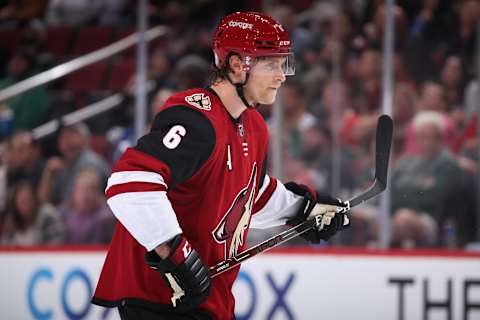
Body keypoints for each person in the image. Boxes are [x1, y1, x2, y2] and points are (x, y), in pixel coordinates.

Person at [92, 12, 350, 320]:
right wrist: (174, 253)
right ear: (237, 65)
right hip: (161, 298)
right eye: (271, 64)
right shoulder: (196, 117)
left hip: (208, 301)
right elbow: (129, 184)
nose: (282, 75)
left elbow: (246, 197)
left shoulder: (254, 125)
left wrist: (303, 208)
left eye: (284, 64)